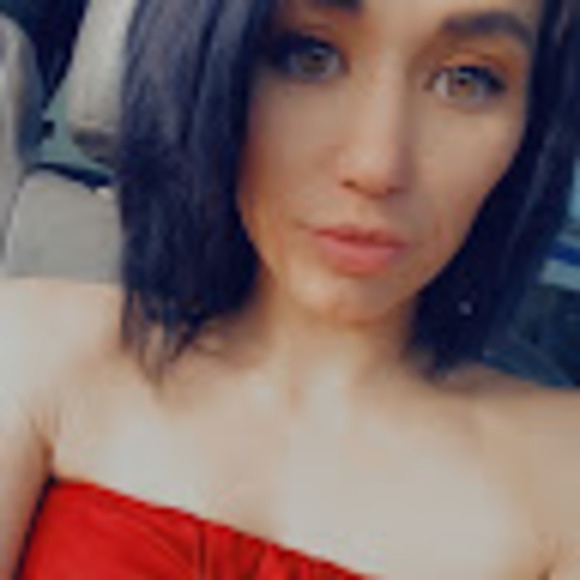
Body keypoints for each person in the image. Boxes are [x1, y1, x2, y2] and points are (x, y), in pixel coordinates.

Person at [1, 0, 579, 577]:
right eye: (310, 56)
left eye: (467, 81)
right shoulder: (36, 349)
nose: (376, 167)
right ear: (206, 60)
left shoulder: (563, 473)